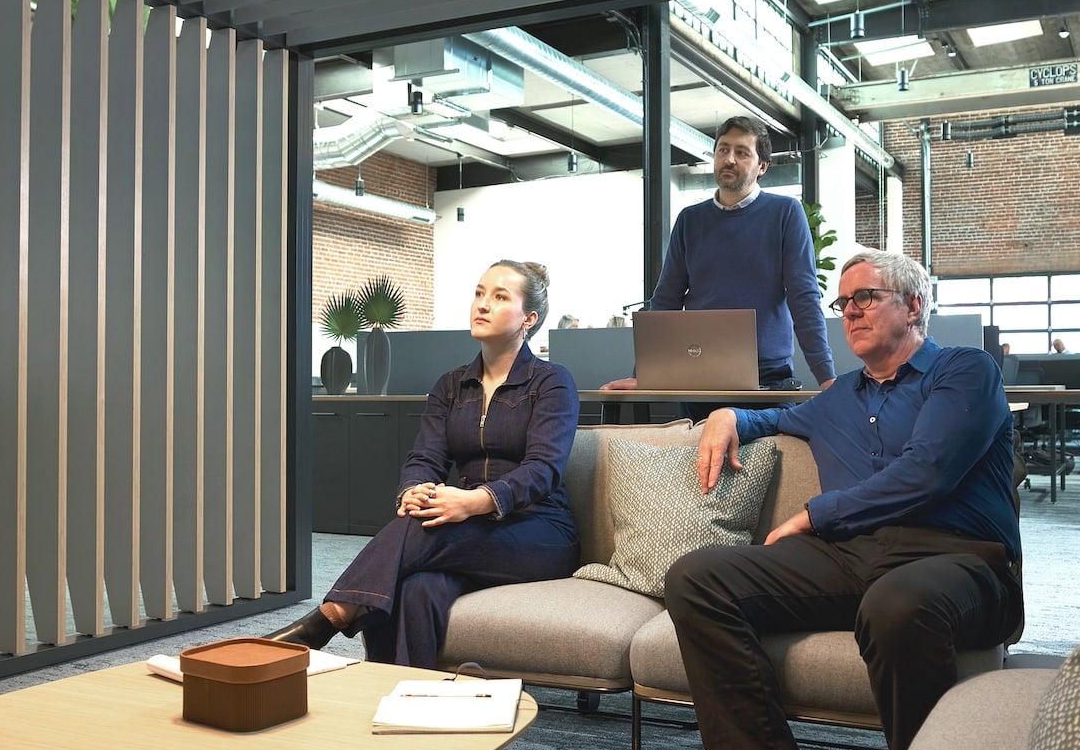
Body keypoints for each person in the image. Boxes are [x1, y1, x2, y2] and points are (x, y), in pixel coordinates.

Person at [663, 249, 1022, 750]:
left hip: (958, 558)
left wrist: (815, 512)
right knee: (696, 577)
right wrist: (725, 416)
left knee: (897, 605)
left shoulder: (964, 372)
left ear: (913, 306)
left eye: (866, 297)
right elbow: (765, 419)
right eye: (843, 302)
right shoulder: (835, 400)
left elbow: (928, 473)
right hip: (850, 556)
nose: (849, 310)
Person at [276, 261, 579, 665]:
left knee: (427, 532)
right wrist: (413, 489)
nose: (483, 304)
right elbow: (425, 457)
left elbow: (544, 469)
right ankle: (398, 697)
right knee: (415, 589)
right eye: (479, 292)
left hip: (539, 530)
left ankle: (326, 619)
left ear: (529, 318)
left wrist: (476, 501)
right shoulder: (451, 385)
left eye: (500, 296)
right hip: (466, 530)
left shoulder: (552, 382)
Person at [604, 115, 836, 392]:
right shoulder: (690, 220)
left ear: (762, 166)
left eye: (742, 153)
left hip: (767, 377)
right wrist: (644, 374)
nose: (729, 159)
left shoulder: (785, 213)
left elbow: (804, 296)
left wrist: (826, 377)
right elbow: (666, 300)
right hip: (697, 373)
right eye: (723, 150)